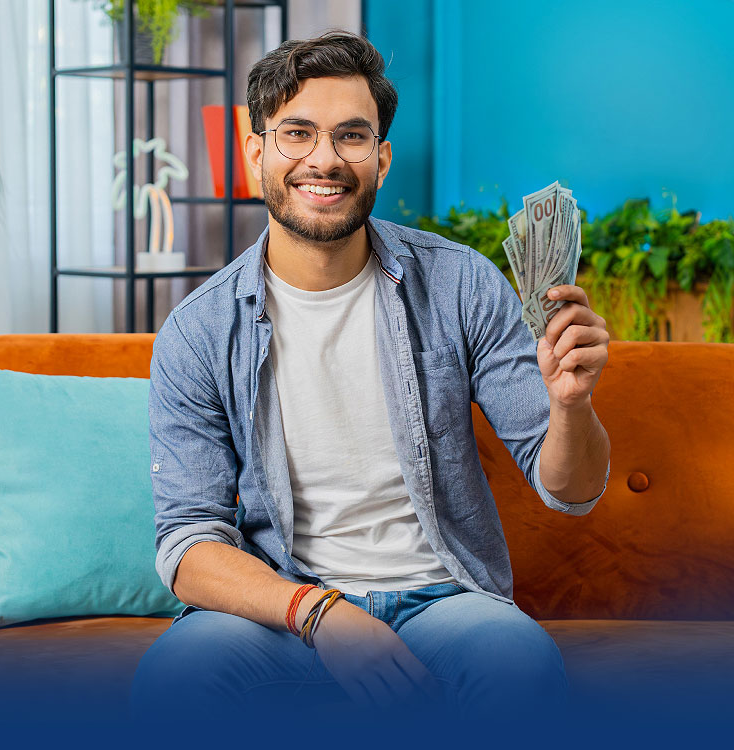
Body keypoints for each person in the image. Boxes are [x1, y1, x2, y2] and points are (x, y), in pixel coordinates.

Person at [130, 31, 611, 721]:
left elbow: (571, 490)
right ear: (255, 151)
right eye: (296, 133)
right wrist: (317, 612)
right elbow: (188, 544)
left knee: (523, 671)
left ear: (380, 159)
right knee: (173, 681)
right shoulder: (199, 330)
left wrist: (571, 408)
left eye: (351, 136)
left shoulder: (461, 284)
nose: (324, 159)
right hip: (283, 606)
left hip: (443, 600)